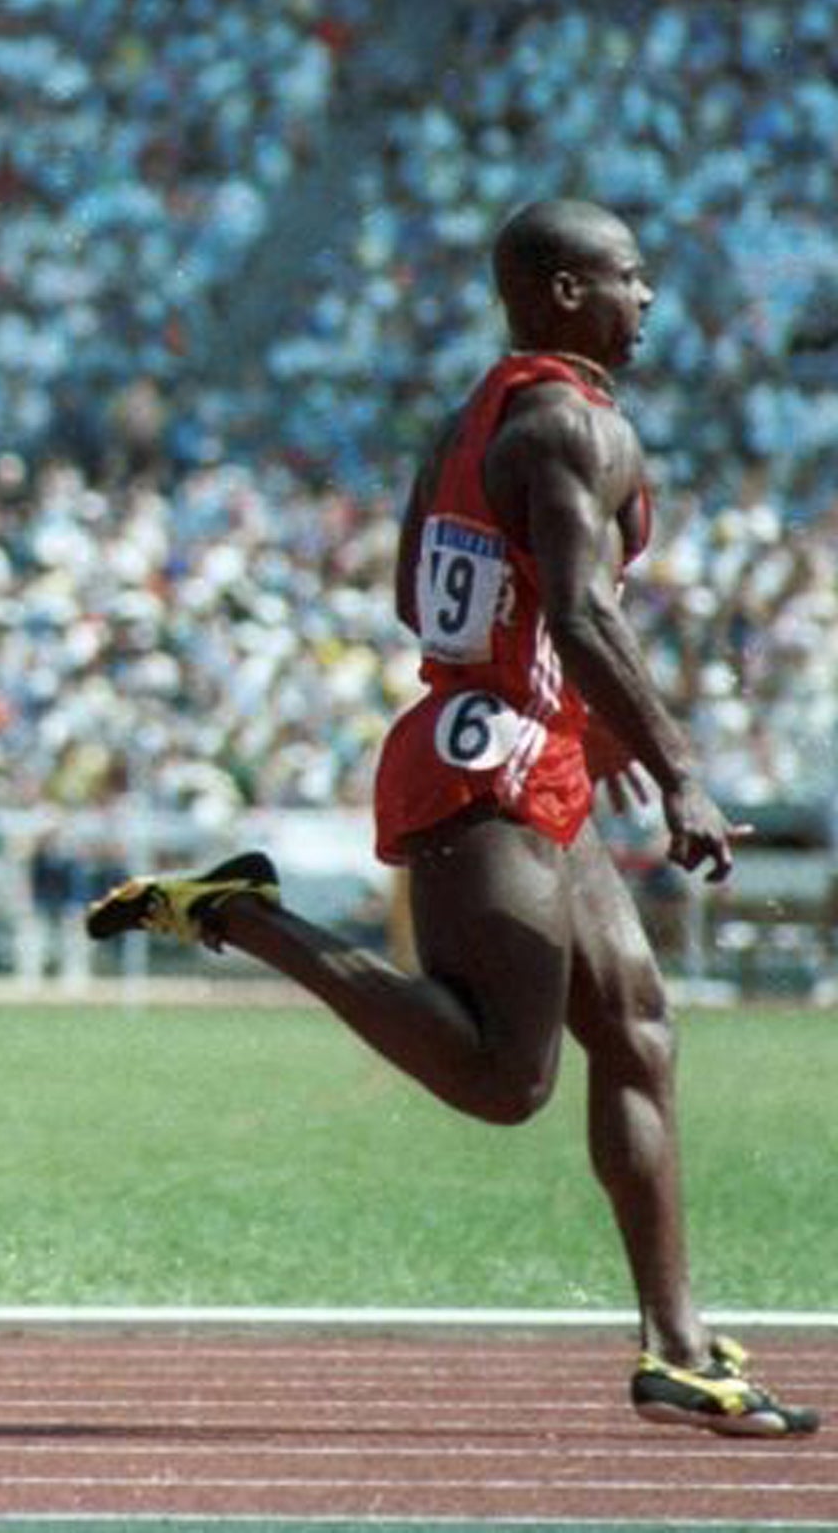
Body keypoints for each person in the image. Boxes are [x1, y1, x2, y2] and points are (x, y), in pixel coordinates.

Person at [86, 199, 817, 1437]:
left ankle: (676, 1347)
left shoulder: (462, 425)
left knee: (636, 1028)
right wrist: (673, 764)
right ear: (563, 293)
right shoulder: (574, 424)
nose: (647, 301)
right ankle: (247, 918)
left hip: (504, 744)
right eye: (627, 279)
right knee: (499, 1078)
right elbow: (581, 616)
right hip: (487, 768)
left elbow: (419, 595)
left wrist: (575, 727)